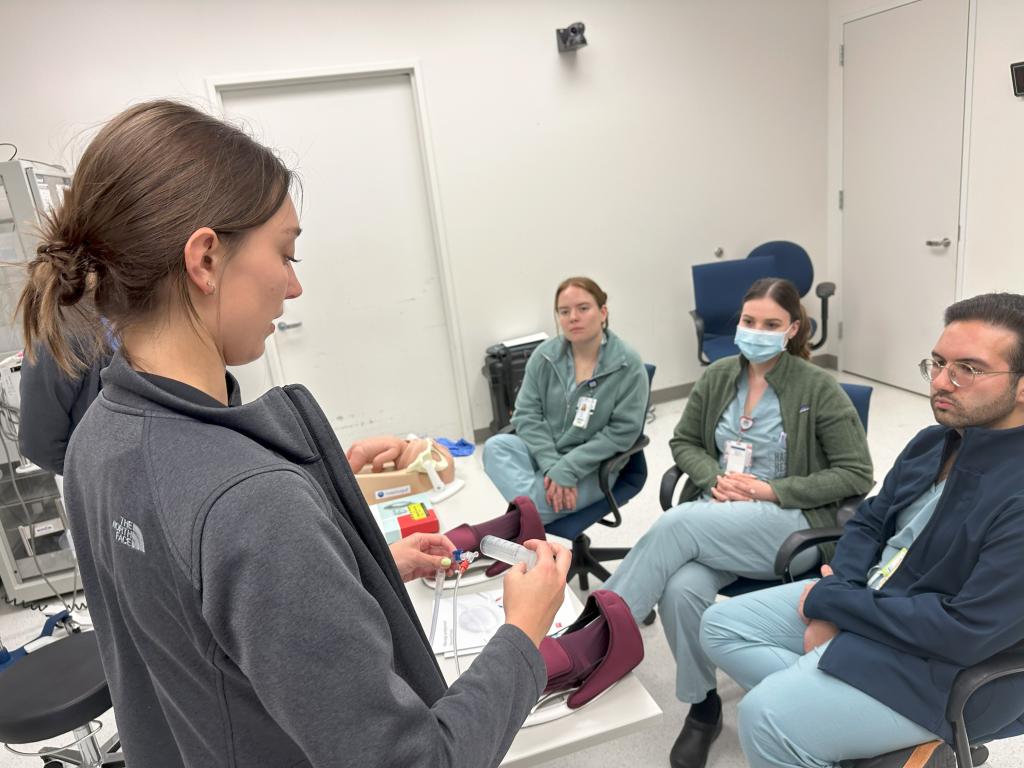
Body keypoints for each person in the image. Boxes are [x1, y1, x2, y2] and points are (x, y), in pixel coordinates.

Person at [18, 99, 571, 768]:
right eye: (284, 252)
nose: (294, 284)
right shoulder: (252, 505)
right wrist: (522, 634)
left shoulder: (98, 440)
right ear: (205, 259)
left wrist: (340, 575)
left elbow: (195, 633)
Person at [700, 292, 1024, 768]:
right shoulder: (933, 442)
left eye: (968, 370)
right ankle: (857, 731)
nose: (940, 382)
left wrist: (837, 605)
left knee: (765, 717)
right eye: (936, 363)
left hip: (944, 665)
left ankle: (828, 719)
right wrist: (844, 591)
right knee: (722, 626)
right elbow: (869, 521)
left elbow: (965, 631)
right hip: (878, 604)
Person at [603, 277, 874, 768]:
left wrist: (774, 490)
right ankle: (703, 706)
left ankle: (602, 639)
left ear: (793, 329)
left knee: (679, 525)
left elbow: (857, 473)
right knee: (682, 586)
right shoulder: (719, 376)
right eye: (749, 322)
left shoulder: (818, 388)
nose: (757, 332)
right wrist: (712, 477)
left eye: (771, 324)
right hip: (723, 518)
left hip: (791, 524)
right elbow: (684, 441)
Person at [483, 277, 649, 523]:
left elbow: (622, 432)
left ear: (603, 313)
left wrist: (569, 468)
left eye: (583, 308)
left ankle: (531, 511)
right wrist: (553, 467)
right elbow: (526, 415)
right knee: (495, 447)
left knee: (530, 511)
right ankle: (538, 499)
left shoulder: (628, 364)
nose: (573, 317)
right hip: (546, 450)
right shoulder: (545, 356)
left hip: (594, 465)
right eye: (564, 311)